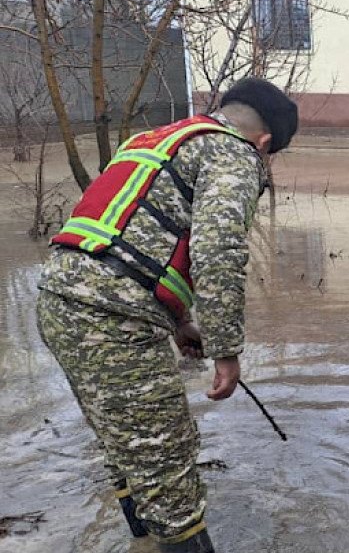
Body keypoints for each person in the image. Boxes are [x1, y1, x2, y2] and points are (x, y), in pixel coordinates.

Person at [36, 78, 298, 551]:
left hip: (58, 302)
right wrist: (226, 351)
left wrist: (178, 322)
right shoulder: (233, 154)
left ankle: (141, 542)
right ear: (263, 143)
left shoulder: (154, 140)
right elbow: (217, 251)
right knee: (170, 476)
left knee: (126, 449)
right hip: (113, 320)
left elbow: (126, 235)